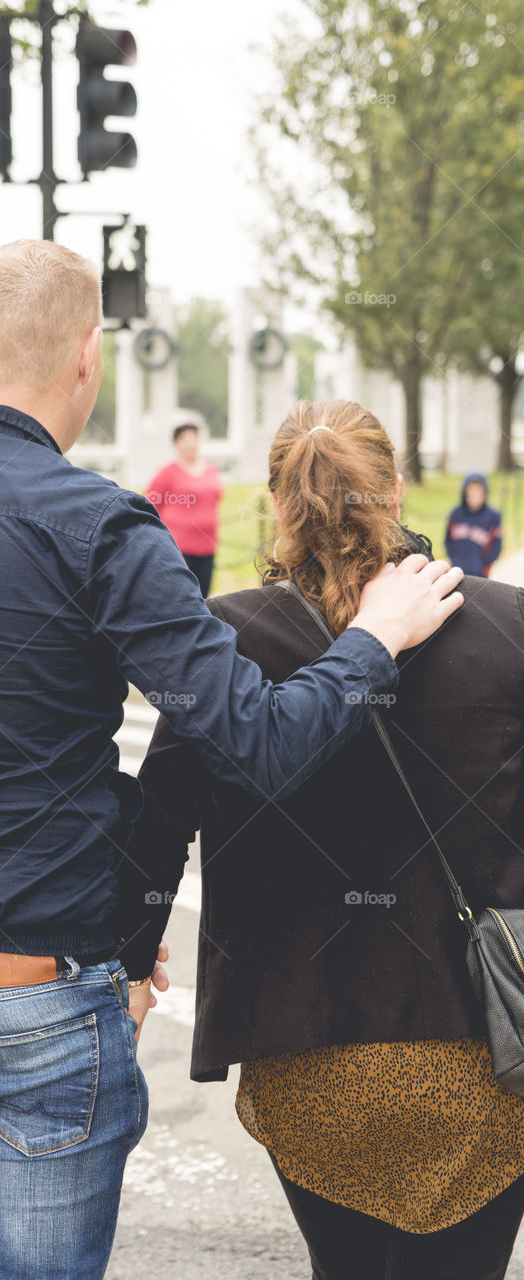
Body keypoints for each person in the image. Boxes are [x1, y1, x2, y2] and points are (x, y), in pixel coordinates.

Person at [0, 242, 461, 1280]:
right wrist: (373, 637)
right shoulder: (99, 527)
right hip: (31, 999)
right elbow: (256, 739)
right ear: (88, 357)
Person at [122, 399, 524, 1280]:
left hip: (304, 1047)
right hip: (487, 1047)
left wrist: (128, 961)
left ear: (278, 503)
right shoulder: (507, 626)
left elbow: (157, 824)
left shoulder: (226, 641)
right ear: (395, 490)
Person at [146, 422, 223, 595]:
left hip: (208, 545)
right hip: (179, 548)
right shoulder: (168, 472)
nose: (190, 444)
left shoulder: (211, 470)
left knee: (204, 596)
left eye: (193, 438)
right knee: (182, 595)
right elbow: (149, 504)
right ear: (177, 444)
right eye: (185, 439)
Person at [445, 472, 502, 576]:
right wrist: (454, 559)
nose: (474, 493)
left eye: (478, 489)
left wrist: (484, 566)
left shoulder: (493, 516)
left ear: (484, 492)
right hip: (457, 571)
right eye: (471, 489)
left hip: (480, 574)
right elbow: (448, 540)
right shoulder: (456, 513)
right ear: (465, 491)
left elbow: (496, 546)